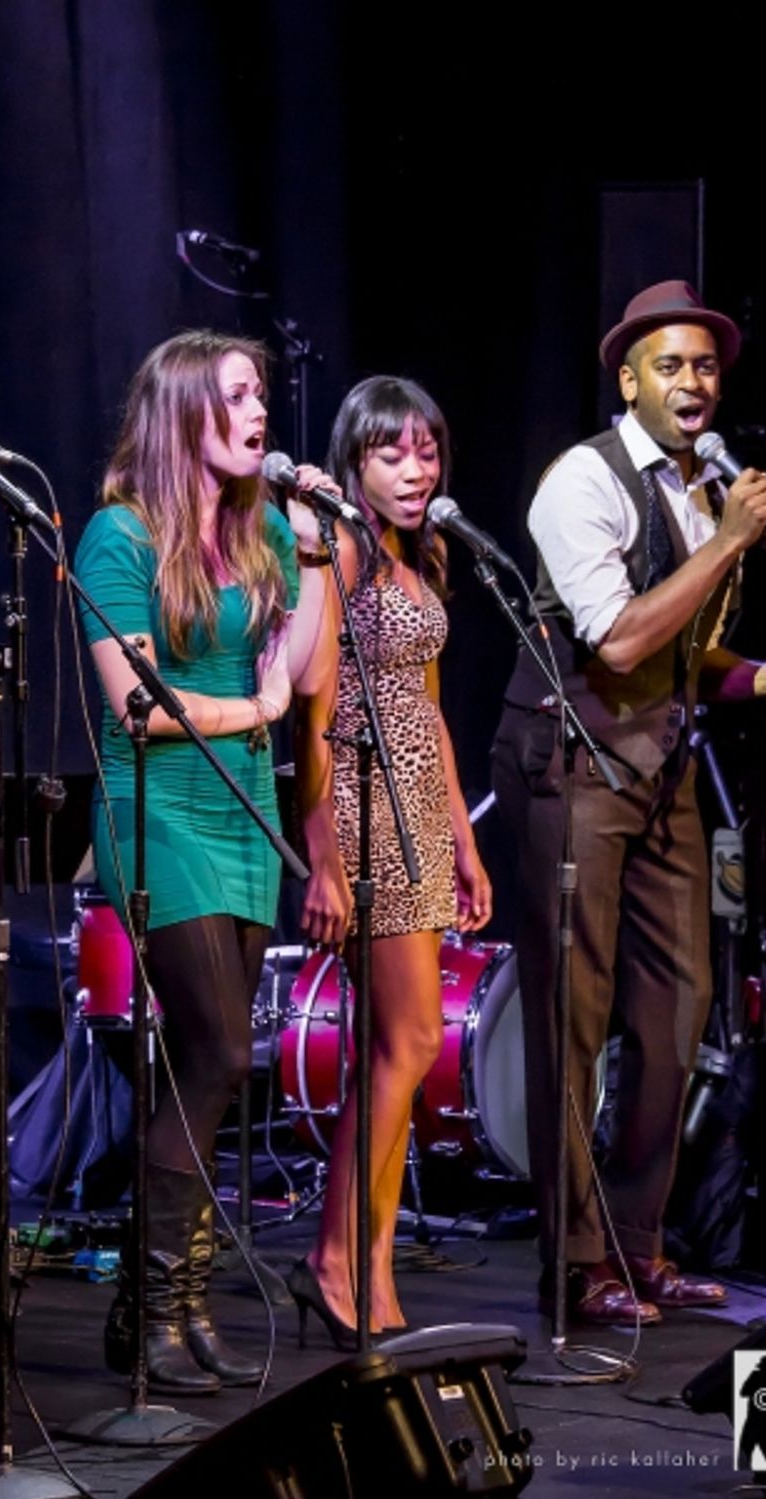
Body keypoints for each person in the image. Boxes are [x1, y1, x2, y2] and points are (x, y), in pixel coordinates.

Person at [491, 280, 766, 1325]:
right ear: (628, 379)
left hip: (663, 769)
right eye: (670, 366)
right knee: (573, 1025)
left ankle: (638, 1245)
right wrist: (727, 540)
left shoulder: (695, 487)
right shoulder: (580, 483)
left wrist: (765, 677)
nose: (693, 383)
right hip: (571, 764)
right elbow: (621, 639)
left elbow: (680, 647)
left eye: (706, 366)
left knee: (676, 1022)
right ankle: (575, 1260)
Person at [74, 329, 331, 1393]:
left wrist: (314, 554)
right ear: (186, 413)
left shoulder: (261, 525)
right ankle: (154, 1294)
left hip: (241, 809)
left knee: (210, 1063)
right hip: (159, 811)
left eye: (262, 391)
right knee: (220, 1046)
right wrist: (256, 708)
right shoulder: (117, 537)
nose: (260, 408)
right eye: (237, 394)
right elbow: (136, 704)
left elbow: (302, 665)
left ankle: (175, 1302)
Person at [290, 376, 492, 1344]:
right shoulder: (339, 555)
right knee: (410, 1041)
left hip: (419, 810)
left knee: (393, 1058)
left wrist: (462, 836)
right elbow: (315, 719)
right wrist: (323, 852)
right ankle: (332, 1254)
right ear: (353, 463)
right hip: (366, 807)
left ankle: (371, 1263)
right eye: (392, 454)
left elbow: (433, 709)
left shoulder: (424, 556)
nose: (416, 472)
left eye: (427, 452)